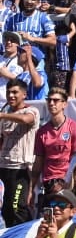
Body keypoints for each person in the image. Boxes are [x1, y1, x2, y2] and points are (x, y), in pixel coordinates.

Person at [31, 88, 76, 206]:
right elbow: (38, 162)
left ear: (64, 104)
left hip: (67, 182)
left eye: (56, 100)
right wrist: (31, 188)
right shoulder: (42, 131)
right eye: (49, 100)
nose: (51, 103)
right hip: (48, 183)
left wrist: (67, 182)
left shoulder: (74, 127)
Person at [0, 79, 39, 226]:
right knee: (5, 209)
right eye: (8, 92)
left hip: (21, 170)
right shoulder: (5, 114)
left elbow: (25, 119)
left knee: (18, 208)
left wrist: (2, 116)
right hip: (3, 167)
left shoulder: (31, 110)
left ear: (24, 94)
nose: (11, 95)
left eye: (15, 92)